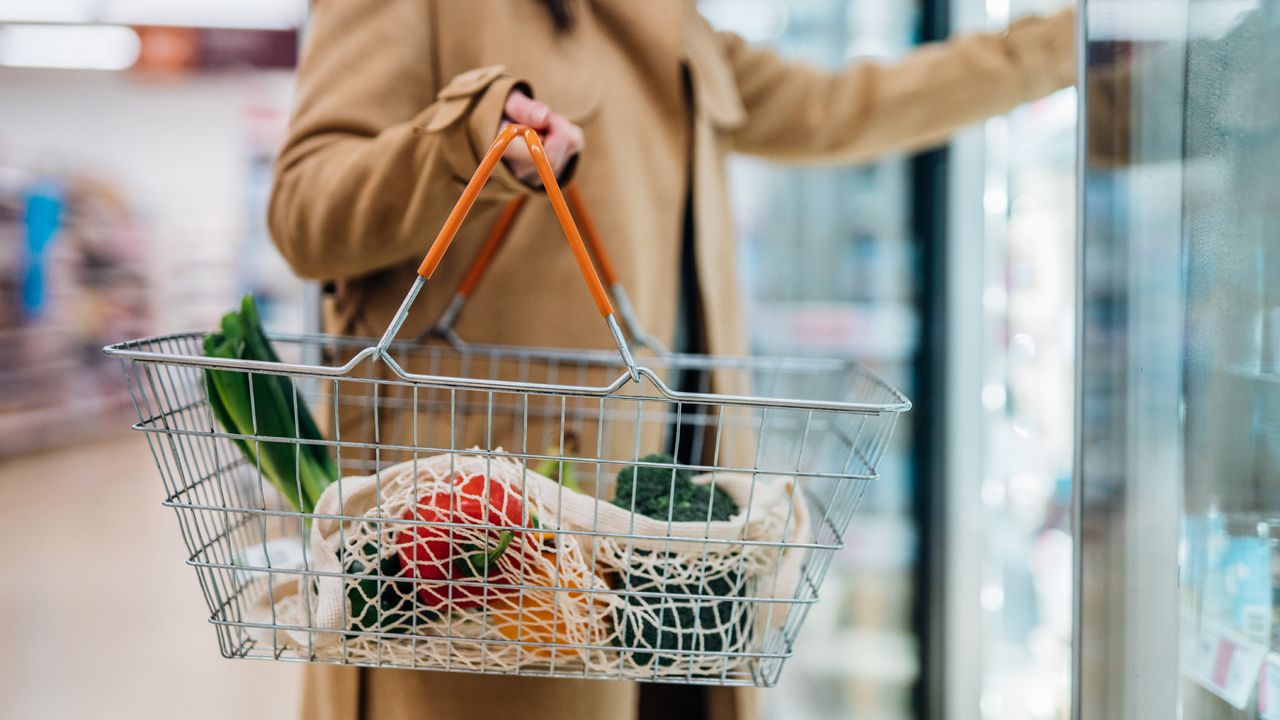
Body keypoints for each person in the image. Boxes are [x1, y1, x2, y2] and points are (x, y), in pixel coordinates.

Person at [268, 1, 1075, 719]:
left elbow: (840, 109)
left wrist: (1070, 42)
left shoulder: (668, 19)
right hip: (488, 573)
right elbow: (305, 211)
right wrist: (469, 138)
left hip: (679, 567)